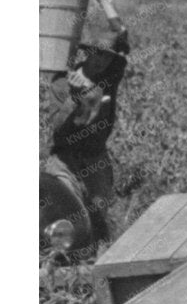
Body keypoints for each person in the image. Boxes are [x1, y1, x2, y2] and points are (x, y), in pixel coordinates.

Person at [48, 19, 132, 243]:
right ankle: (58, 268)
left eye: (107, 57)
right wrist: (78, 101)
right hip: (65, 161)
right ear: (88, 53)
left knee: (98, 223)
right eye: (98, 54)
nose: (102, 61)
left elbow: (123, 34)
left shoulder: (108, 79)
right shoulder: (62, 83)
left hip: (96, 160)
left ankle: (95, 266)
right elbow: (58, 131)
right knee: (64, 219)